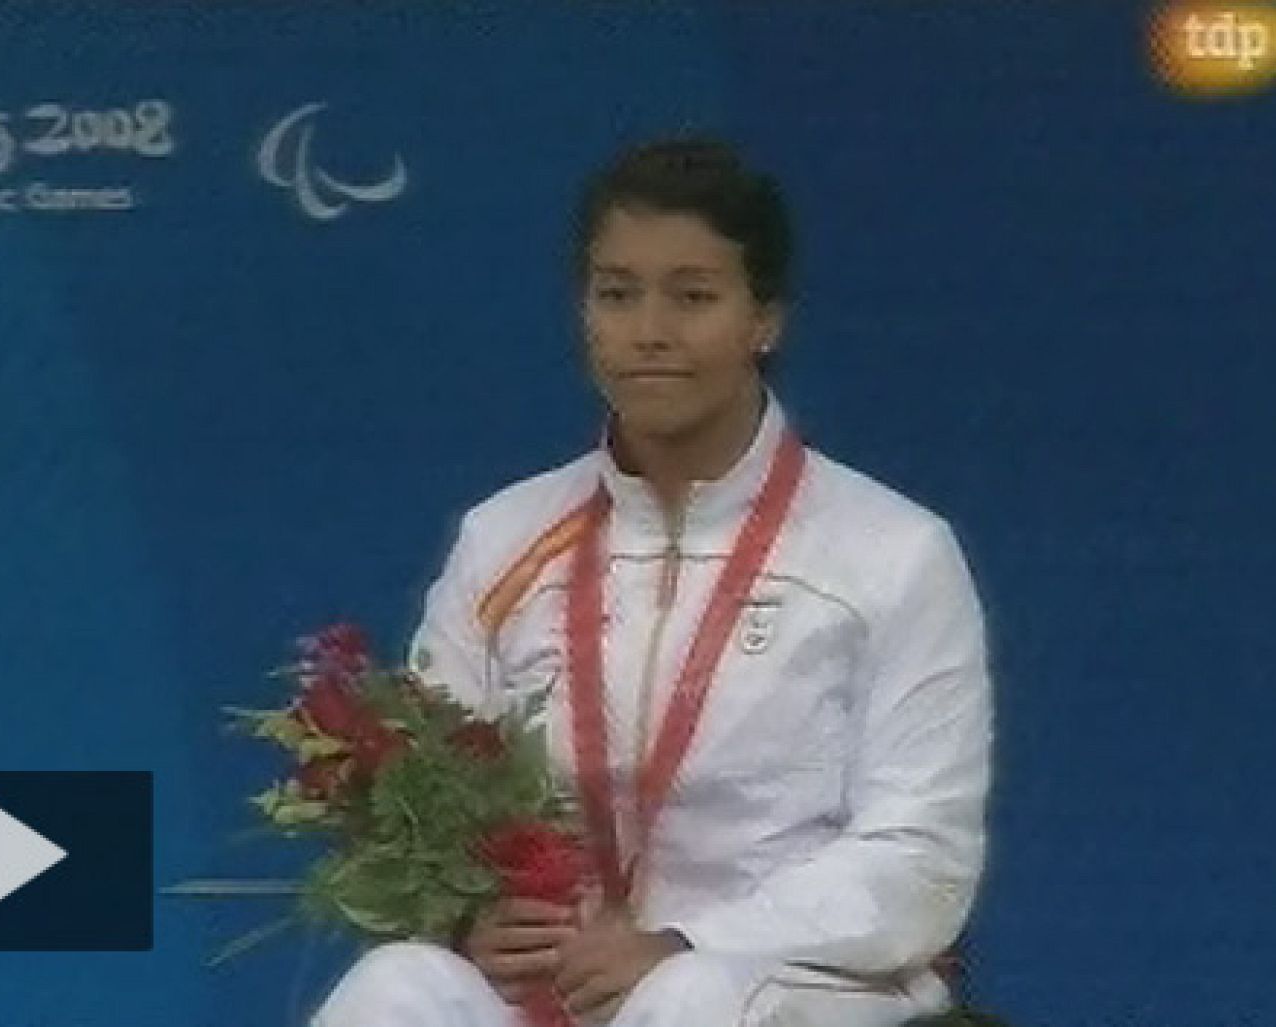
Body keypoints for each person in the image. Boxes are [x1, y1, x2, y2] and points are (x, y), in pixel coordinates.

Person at [313, 138, 992, 1027]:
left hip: (795, 983)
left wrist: (687, 940)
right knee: (394, 987)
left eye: (694, 296)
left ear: (766, 319)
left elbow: (920, 855)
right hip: (566, 986)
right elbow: (425, 804)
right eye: (617, 293)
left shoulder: (893, 553)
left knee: (690, 1001)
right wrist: (467, 915)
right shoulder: (503, 539)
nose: (650, 331)